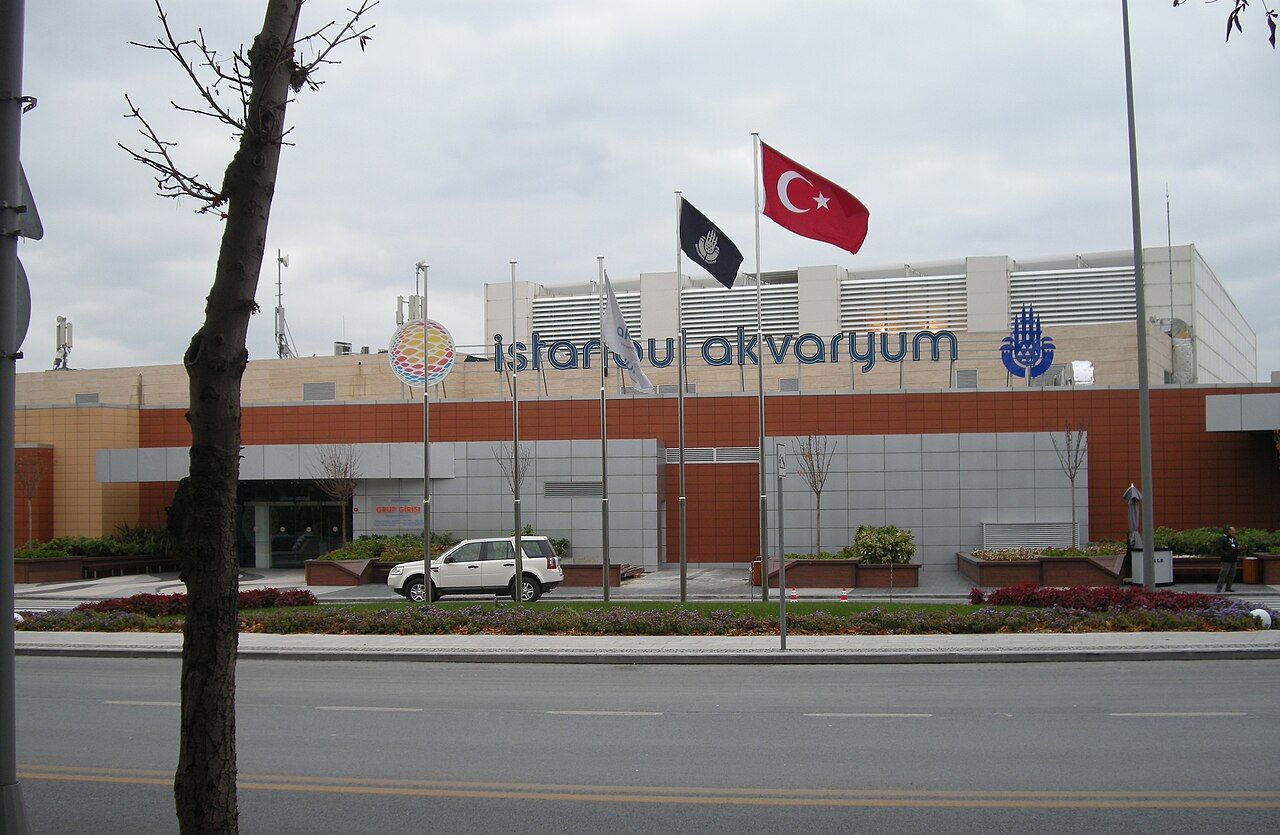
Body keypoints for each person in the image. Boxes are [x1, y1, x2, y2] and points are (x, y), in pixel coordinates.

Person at [1215, 525, 1240, 593]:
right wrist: (1226, 554)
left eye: (1234, 533)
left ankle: (1228, 587)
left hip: (1233, 559)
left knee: (1232, 574)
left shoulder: (1233, 539)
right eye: (1232, 532)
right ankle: (1219, 588)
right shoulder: (1222, 539)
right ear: (1228, 531)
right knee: (1223, 574)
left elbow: (1236, 546)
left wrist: (1238, 549)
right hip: (1226, 560)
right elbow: (1219, 549)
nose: (1233, 534)